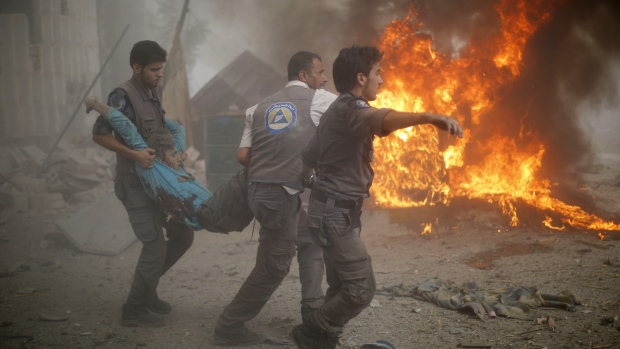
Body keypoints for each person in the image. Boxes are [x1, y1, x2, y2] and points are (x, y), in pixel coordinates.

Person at [295, 45, 463, 348]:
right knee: (360, 289)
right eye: (377, 73)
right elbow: (380, 119)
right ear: (361, 77)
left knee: (340, 285)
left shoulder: (336, 109)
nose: (381, 80)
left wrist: (312, 181)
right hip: (335, 214)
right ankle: (312, 331)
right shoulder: (349, 108)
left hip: (331, 210)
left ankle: (323, 338)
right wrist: (429, 117)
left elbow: (309, 155)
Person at [213, 51, 338, 345]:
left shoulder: (257, 108)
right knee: (274, 266)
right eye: (320, 72)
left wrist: (272, 164)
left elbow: (243, 156)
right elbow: (350, 111)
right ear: (304, 76)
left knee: (309, 239)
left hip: (261, 192)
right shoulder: (319, 99)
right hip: (278, 197)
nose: (324, 78)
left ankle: (312, 310)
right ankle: (229, 326)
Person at [91, 40, 194, 328]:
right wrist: (133, 153)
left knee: (184, 235)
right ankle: (133, 309)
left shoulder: (154, 90)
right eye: (153, 69)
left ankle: (147, 291)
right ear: (136, 68)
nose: (160, 74)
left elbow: (160, 129)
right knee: (154, 246)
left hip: (160, 182)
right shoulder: (121, 96)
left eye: (161, 69)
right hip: (135, 183)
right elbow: (99, 135)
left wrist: (175, 151)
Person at [86, 96, 253, 233]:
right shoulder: (151, 164)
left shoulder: (171, 156)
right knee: (247, 176)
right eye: (174, 155)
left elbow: (179, 129)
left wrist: (160, 119)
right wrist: (95, 104)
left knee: (253, 199)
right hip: (207, 213)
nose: (180, 158)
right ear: (161, 158)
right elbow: (126, 128)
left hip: (215, 209)